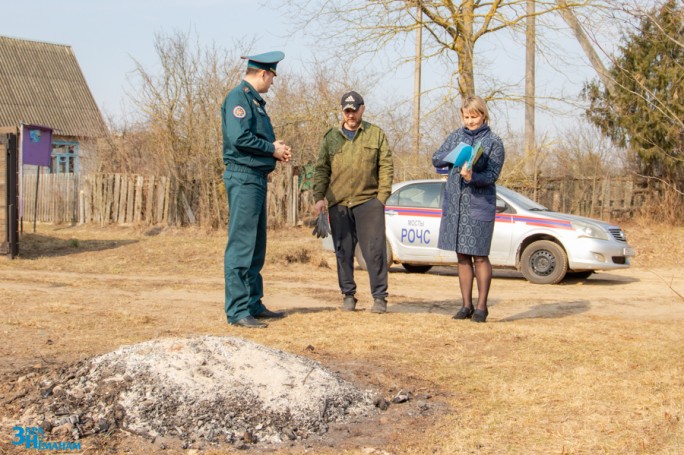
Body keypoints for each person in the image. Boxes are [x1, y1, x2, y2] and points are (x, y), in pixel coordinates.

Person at [221, 51, 292, 329]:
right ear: (263, 73)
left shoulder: (255, 102)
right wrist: (271, 149)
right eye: (272, 76)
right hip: (244, 177)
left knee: (256, 246)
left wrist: (276, 149)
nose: (273, 81)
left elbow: (257, 139)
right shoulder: (239, 98)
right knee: (242, 245)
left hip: (257, 178)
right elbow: (239, 138)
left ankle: (252, 303)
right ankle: (237, 311)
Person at [313, 91, 394, 313]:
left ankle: (379, 297)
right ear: (342, 111)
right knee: (343, 250)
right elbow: (321, 169)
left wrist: (381, 198)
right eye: (346, 111)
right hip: (338, 203)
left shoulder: (375, 134)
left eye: (354, 110)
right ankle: (348, 295)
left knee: (375, 251)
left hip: (369, 202)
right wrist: (319, 197)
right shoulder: (330, 137)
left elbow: (386, 166)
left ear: (362, 109)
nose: (350, 115)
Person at [432, 96, 505, 323]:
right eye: (466, 116)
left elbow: (492, 175)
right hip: (456, 205)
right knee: (462, 256)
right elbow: (436, 158)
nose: (470, 121)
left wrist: (473, 176)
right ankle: (466, 305)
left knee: (480, 256)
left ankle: (482, 308)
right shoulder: (456, 136)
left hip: (479, 204)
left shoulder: (494, 141)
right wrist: (451, 158)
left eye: (474, 116)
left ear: (483, 115)